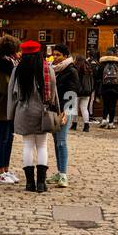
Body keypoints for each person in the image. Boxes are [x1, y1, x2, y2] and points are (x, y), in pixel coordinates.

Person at [11, 39, 57, 193]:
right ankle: (42, 183)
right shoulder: (47, 69)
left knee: (27, 145)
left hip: (24, 111)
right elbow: (54, 94)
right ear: (39, 53)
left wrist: (10, 114)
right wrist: (57, 110)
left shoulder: (17, 70)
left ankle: (29, 183)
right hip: (42, 112)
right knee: (42, 146)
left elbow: (13, 94)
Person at [0, 35, 19, 183]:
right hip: (4, 104)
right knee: (3, 137)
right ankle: (1, 171)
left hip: (11, 105)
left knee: (10, 138)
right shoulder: (3, 65)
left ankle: (7, 168)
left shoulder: (11, 62)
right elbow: (5, 87)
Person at [49, 44, 77, 187]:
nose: (56, 57)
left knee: (61, 141)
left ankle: (64, 175)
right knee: (56, 142)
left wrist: (67, 112)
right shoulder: (56, 70)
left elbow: (72, 93)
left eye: (58, 55)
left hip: (65, 110)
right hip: (55, 110)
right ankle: (60, 172)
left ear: (66, 56)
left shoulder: (70, 70)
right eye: (54, 54)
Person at [96, 47, 118, 128]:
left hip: (104, 88)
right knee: (112, 105)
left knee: (105, 104)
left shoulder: (102, 65)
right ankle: (111, 123)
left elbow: (97, 77)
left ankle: (104, 120)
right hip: (115, 89)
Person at [71, 50, 95, 132]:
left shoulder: (75, 68)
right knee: (84, 108)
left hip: (77, 91)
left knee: (75, 108)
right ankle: (86, 126)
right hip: (87, 91)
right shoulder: (88, 68)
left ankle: (74, 124)